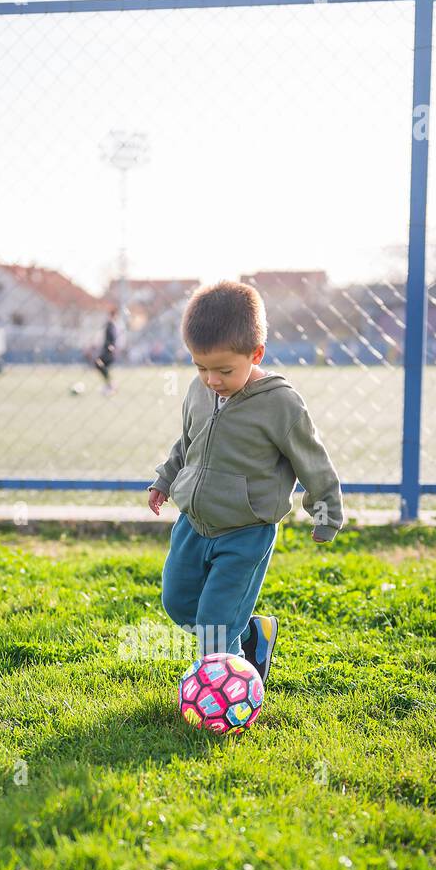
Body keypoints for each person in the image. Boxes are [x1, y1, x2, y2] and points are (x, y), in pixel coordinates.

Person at [147, 280, 343, 687]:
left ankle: (233, 687)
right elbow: (188, 442)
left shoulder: (280, 404)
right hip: (194, 524)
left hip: (246, 531)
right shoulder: (198, 391)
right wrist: (165, 479)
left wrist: (325, 513)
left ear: (256, 355)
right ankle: (252, 633)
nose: (212, 380)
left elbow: (313, 461)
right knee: (178, 602)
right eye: (201, 367)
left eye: (224, 370)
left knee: (215, 627)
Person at [93, 305, 119, 395]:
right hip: (108, 350)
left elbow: (112, 338)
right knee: (101, 365)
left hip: (109, 351)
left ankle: (110, 384)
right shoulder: (110, 325)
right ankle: (109, 385)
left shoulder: (111, 326)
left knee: (98, 363)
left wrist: (111, 347)